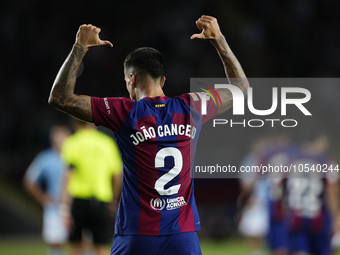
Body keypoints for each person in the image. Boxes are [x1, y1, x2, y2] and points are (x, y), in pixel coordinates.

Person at [48, 15, 249, 255]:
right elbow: (241, 89)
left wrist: (79, 46)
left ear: (131, 79)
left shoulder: (124, 112)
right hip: (182, 236)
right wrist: (219, 40)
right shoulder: (192, 106)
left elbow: (60, 98)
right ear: (162, 79)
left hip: (137, 235)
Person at [60, 120, 123, 255]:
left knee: (75, 246)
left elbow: (68, 175)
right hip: (101, 201)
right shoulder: (106, 143)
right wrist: (114, 198)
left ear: (76, 124)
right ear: (93, 123)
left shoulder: (71, 142)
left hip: (79, 200)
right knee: (101, 246)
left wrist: (64, 208)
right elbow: (118, 176)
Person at [23, 125, 71, 255]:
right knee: (55, 246)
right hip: (54, 209)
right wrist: (43, 198)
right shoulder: (45, 158)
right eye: (59, 136)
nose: (61, 140)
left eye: (64, 136)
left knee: (82, 244)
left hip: (75, 207)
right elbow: (29, 181)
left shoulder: (75, 155)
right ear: (53, 139)